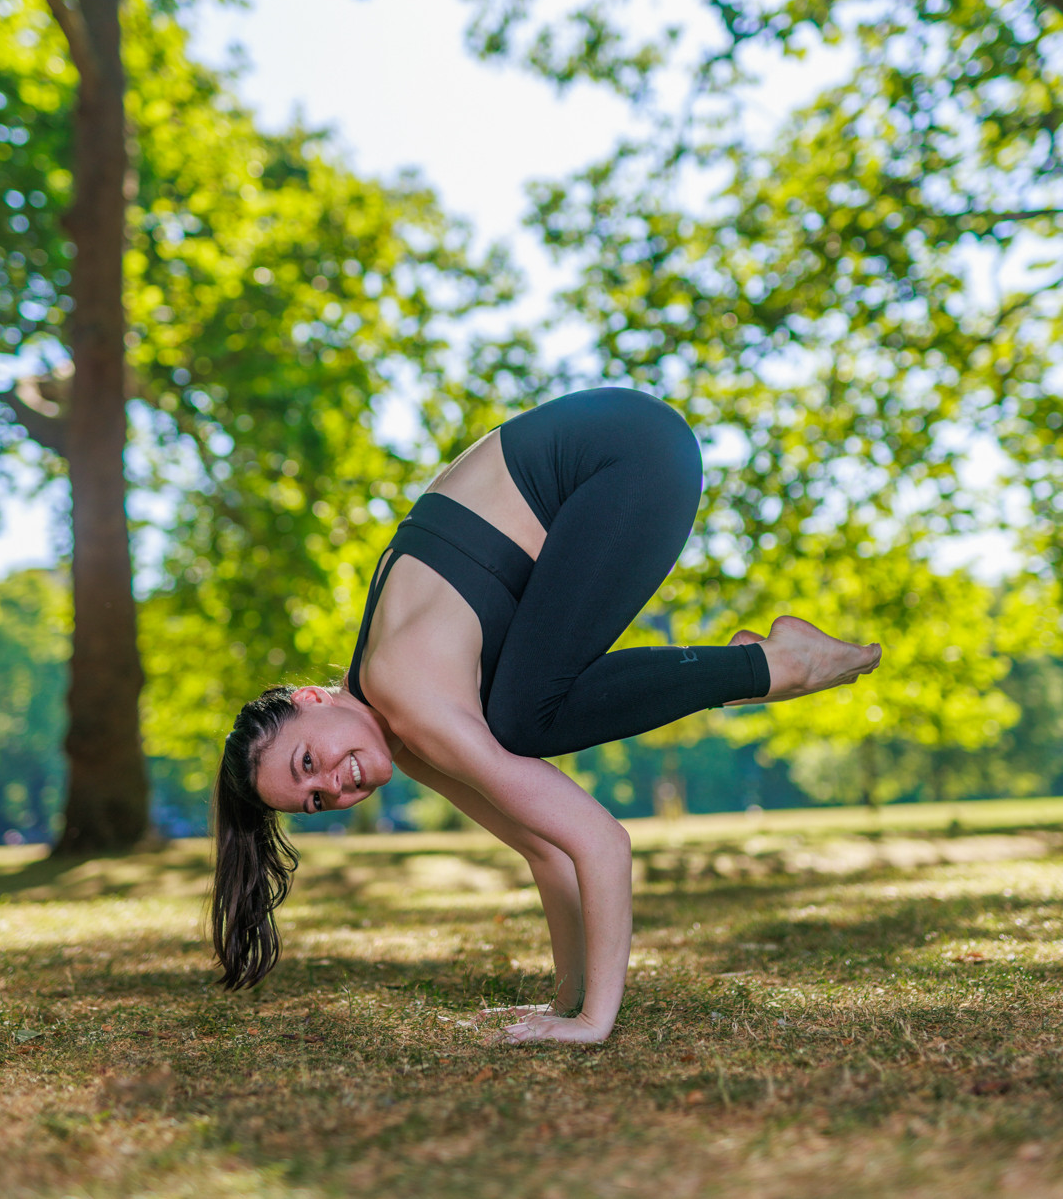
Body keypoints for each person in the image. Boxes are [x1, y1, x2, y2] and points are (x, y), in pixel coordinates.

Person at [212, 388, 881, 1042]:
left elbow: (600, 841)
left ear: (310, 697)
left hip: (626, 455)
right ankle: (768, 662)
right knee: (518, 720)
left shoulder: (408, 691)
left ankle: (775, 665)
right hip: (620, 449)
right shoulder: (402, 726)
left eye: (307, 763)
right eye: (317, 801)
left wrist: (594, 1023)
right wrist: (565, 1003)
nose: (333, 784)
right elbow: (545, 847)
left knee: (524, 722)